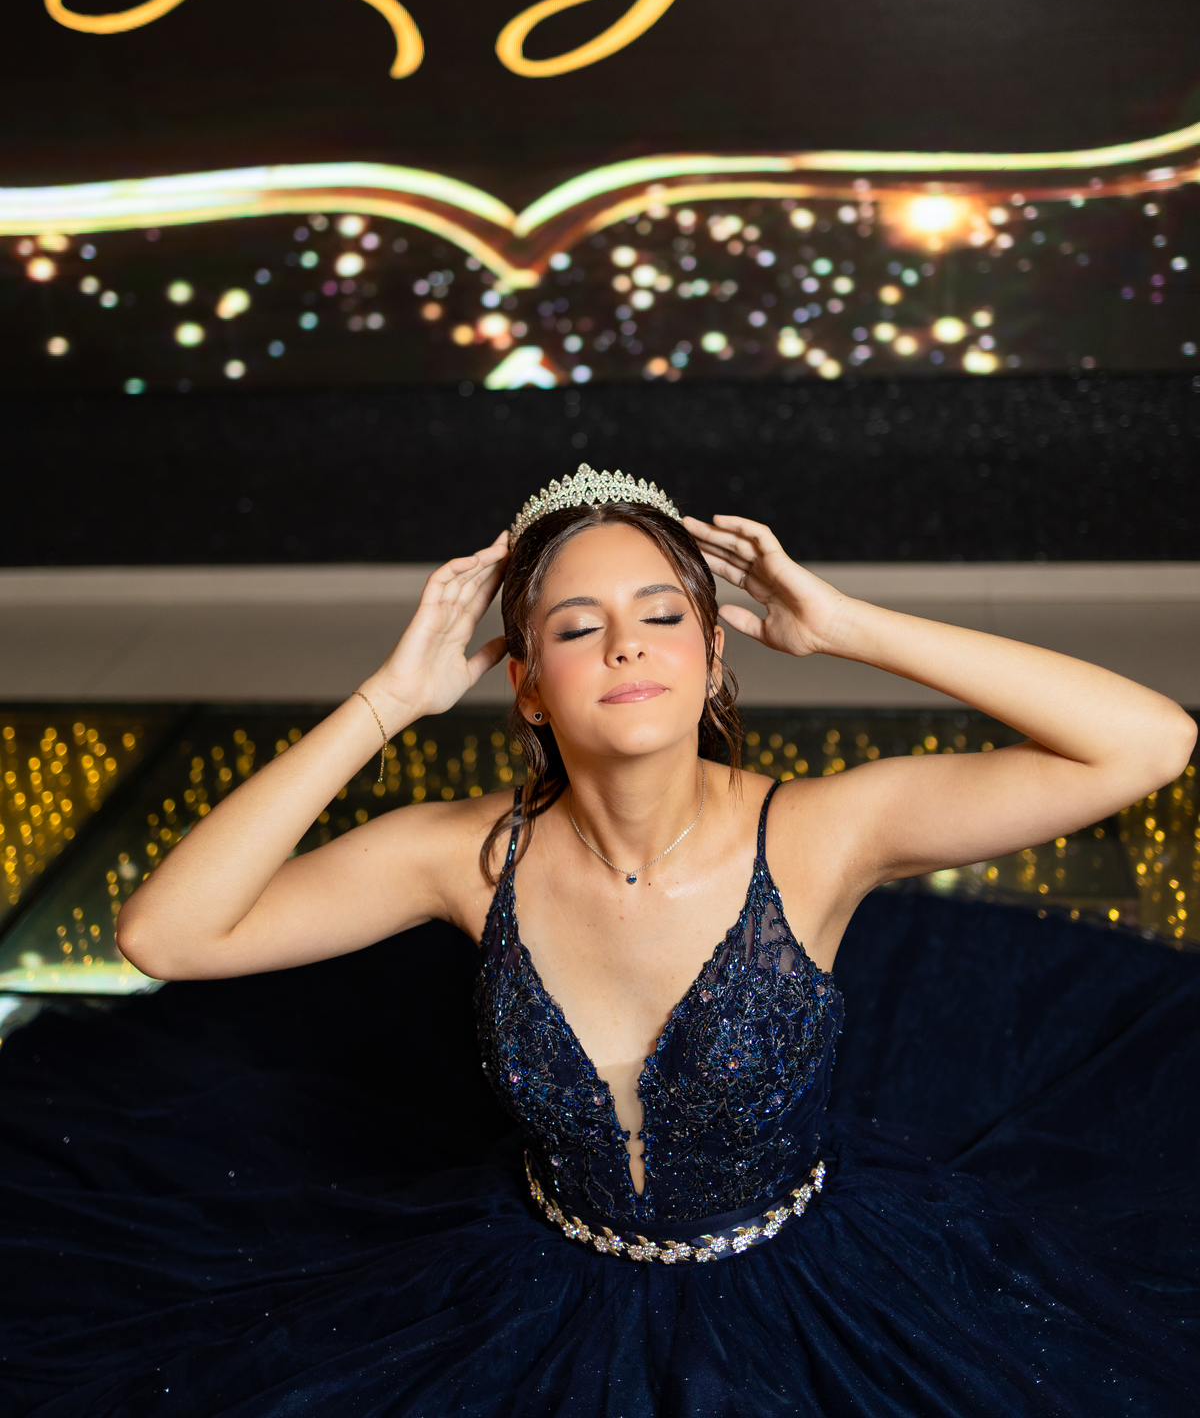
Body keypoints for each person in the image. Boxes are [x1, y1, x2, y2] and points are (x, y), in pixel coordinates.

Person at [98, 468, 1200, 1412]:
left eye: (662, 616)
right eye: (578, 628)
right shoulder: (461, 855)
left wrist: (844, 627)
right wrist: (389, 700)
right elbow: (168, 935)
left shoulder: (820, 833)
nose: (625, 643)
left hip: (810, 1293)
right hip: (534, 1289)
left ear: (714, 658)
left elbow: (1146, 744)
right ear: (528, 687)